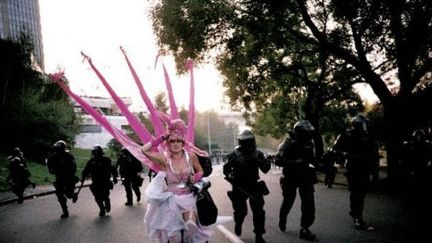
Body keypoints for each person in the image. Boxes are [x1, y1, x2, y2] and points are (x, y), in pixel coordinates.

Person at [141, 119, 210, 243]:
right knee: (174, 237)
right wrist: (163, 136)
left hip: (189, 198)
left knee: (191, 227)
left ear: (183, 142)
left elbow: (200, 171)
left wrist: (197, 177)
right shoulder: (164, 159)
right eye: (172, 140)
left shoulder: (191, 156)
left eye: (179, 140)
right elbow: (144, 150)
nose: (176, 143)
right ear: (168, 142)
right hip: (171, 202)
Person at [223, 130, 271, 243]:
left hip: (254, 186)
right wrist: (230, 176)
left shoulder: (257, 154)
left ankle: (259, 235)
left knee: (259, 211)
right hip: (239, 187)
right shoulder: (233, 155)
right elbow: (226, 170)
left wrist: (261, 161)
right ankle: (238, 223)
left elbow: (266, 169)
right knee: (241, 212)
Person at [333, 114, 379, 231]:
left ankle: (356, 212)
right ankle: (357, 215)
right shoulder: (347, 135)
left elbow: (374, 151)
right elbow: (335, 149)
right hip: (353, 167)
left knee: (362, 191)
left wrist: (374, 167)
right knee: (356, 191)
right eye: (362, 124)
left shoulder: (368, 136)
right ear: (356, 125)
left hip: (365, 167)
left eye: (365, 123)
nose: (365, 126)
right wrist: (344, 154)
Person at [275, 120, 318, 240]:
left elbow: (312, 159)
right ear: (300, 132)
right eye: (306, 133)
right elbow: (278, 160)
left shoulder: (309, 143)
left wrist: (322, 165)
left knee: (308, 203)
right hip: (290, 177)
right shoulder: (288, 143)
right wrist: (294, 162)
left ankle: (305, 228)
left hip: (305, 176)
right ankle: (282, 217)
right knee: (289, 200)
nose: (309, 135)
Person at [401, 129, 432, 237]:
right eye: (417, 136)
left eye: (420, 136)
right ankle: (414, 213)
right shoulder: (410, 145)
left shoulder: (427, 145)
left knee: (422, 193)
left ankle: (420, 215)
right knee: (414, 194)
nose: (419, 138)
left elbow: (429, 158)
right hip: (414, 171)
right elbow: (406, 159)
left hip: (423, 172)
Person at [81, 145, 118, 217]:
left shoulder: (106, 160)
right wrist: (83, 178)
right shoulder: (91, 161)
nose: (95, 154)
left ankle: (107, 202)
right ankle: (102, 209)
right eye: (94, 152)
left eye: (96, 152)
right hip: (95, 182)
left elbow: (113, 169)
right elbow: (86, 170)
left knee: (105, 196)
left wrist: (115, 177)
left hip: (105, 181)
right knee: (97, 197)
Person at [46, 140, 78, 218]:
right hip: (59, 178)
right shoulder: (53, 156)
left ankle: (73, 195)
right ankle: (65, 211)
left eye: (59, 148)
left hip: (69, 178)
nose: (57, 150)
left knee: (69, 195)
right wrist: (51, 170)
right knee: (60, 195)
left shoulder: (69, 156)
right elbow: (49, 165)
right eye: (56, 148)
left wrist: (70, 174)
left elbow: (74, 167)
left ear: (62, 148)